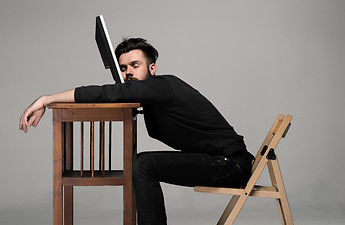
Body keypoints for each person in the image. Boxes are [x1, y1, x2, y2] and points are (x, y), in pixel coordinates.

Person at [19, 38, 254, 225]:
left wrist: (46, 100)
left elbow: (105, 93)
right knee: (142, 162)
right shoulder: (151, 97)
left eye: (135, 65)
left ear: (152, 68)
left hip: (231, 165)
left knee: (143, 165)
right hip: (221, 161)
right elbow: (111, 95)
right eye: (123, 68)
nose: (128, 72)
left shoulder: (163, 85)